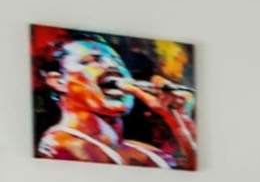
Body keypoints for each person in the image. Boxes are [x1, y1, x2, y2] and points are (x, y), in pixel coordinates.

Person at [34, 37, 195, 168]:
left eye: (117, 61)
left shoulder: (142, 149)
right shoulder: (61, 145)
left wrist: (179, 121)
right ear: (58, 81)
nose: (111, 65)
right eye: (91, 60)